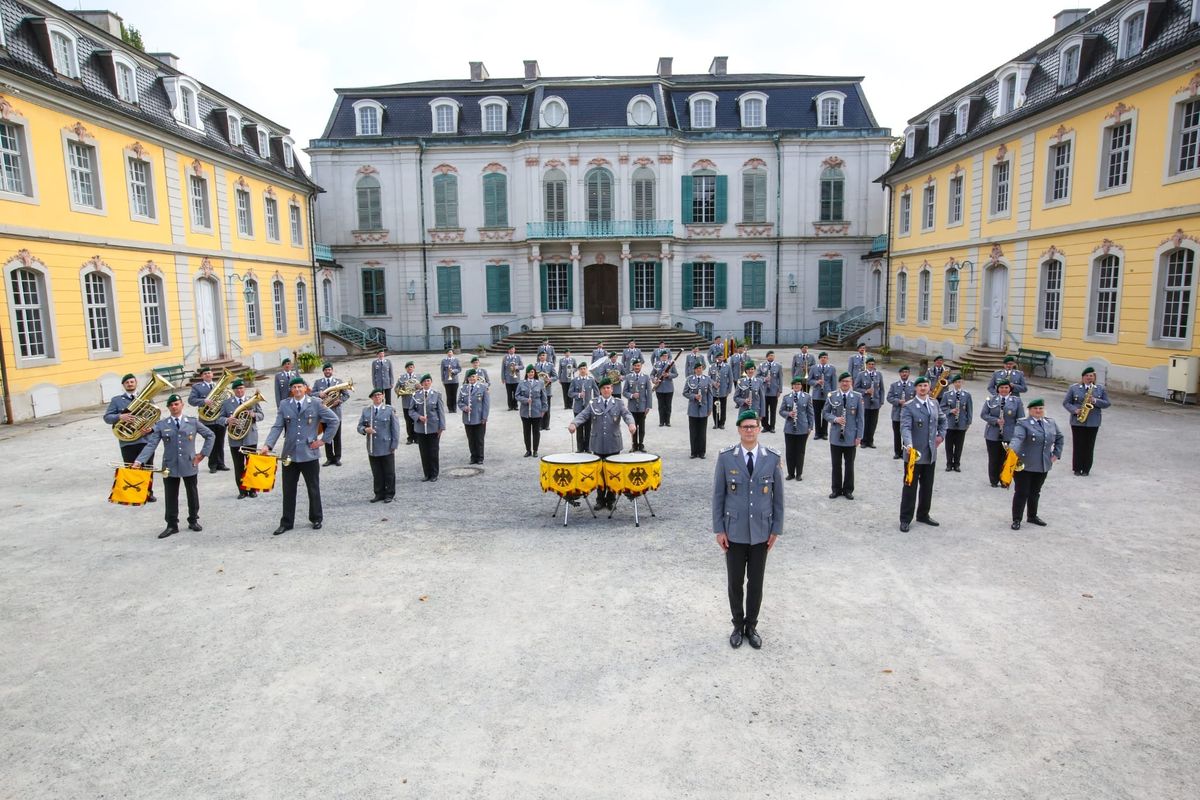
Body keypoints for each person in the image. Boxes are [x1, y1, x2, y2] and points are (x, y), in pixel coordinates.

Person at [712, 410, 782, 650]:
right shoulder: (726, 458)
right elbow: (718, 496)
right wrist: (719, 529)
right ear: (739, 430)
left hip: (761, 532)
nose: (750, 430)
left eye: (753, 426)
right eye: (745, 427)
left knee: (756, 582)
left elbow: (778, 498)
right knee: (735, 582)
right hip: (734, 532)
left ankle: (751, 625)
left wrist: (776, 530)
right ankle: (737, 625)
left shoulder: (771, 458)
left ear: (759, 429)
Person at [262, 377, 340, 535]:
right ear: (291, 390)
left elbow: (334, 420)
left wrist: (323, 440)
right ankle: (287, 522)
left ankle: (316, 518)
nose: (297, 389)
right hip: (289, 454)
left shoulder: (316, 403)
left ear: (305, 388)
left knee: (313, 487)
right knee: (288, 489)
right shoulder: (285, 404)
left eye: (300, 387)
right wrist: (267, 445)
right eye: (294, 387)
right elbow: (277, 426)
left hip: (309, 453)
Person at [134, 393, 214, 539]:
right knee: (171, 495)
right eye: (171, 405)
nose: (174, 407)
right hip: (169, 465)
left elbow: (210, 435)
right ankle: (172, 525)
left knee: (192, 493)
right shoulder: (162, 425)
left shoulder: (192, 422)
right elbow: (151, 444)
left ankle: (193, 519)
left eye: (177, 404)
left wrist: (202, 454)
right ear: (168, 408)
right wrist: (139, 461)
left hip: (189, 463)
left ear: (182, 405)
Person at [568, 377, 636, 510]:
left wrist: (631, 424)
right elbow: (583, 414)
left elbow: (627, 414)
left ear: (612, 389)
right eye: (604, 388)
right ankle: (600, 500)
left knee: (612, 473)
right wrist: (574, 423)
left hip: (613, 443)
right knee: (599, 474)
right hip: (598, 443)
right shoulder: (593, 403)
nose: (607, 390)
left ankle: (611, 500)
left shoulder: (618, 402)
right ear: (600, 390)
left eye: (609, 388)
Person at [899, 377, 947, 531]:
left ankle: (923, 514)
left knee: (927, 487)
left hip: (930, 454)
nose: (923, 388)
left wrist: (941, 436)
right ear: (915, 388)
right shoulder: (909, 406)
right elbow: (905, 427)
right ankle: (905, 518)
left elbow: (943, 420)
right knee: (910, 487)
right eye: (920, 386)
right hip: (914, 454)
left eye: (925, 385)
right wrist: (909, 444)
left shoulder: (934, 403)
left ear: (929, 387)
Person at [1008, 398, 1063, 530]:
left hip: (1043, 463)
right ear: (1030, 410)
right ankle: (1017, 519)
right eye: (1035, 409)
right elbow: (1018, 438)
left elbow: (1059, 437)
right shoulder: (1023, 423)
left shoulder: (1050, 422)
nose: (1038, 411)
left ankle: (1032, 516)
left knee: (1035, 491)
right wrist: (1011, 450)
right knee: (1022, 492)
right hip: (1025, 464)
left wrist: (1056, 454)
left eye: (1040, 408)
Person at [104, 372, 158, 502]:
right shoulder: (116, 400)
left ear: (136, 383)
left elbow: (155, 416)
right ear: (123, 385)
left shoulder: (146, 398)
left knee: (147, 467)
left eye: (132, 382)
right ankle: (134, 495)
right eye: (127, 382)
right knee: (130, 467)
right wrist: (119, 417)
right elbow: (107, 417)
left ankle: (148, 493)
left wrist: (151, 428)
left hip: (145, 439)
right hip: (127, 441)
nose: (130, 384)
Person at [218, 378, 264, 499]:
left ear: (244, 389)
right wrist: (228, 420)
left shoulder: (252, 400)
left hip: (250, 437)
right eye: (237, 389)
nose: (239, 390)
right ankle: (242, 490)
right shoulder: (227, 403)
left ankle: (253, 490)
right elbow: (219, 419)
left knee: (251, 464)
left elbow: (261, 415)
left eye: (241, 388)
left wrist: (254, 415)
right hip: (235, 439)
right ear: (233, 390)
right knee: (238, 466)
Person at [1062, 366, 1111, 476]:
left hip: (1093, 421)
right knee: (1078, 444)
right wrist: (1075, 410)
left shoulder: (1100, 388)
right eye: (1087, 376)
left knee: (1089, 445)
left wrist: (1094, 400)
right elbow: (1066, 403)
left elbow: (1107, 403)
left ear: (1094, 377)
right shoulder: (1074, 388)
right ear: (1083, 377)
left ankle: (1086, 469)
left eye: (1091, 376)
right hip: (1078, 420)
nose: (1089, 378)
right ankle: (1077, 468)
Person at [824, 372, 865, 499]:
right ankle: (836, 489)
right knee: (836, 464)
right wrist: (835, 419)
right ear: (839, 383)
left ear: (851, 383)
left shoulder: (857, 397)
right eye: (843, 381)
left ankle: (848, 490)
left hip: (850, 437)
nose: (845, 383)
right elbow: (825, 413)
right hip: (836, 436)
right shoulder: (832, 396)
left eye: (847, 381)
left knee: (849, 464)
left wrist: (859, 436)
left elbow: (860, 418)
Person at [358, 387, 400, 503]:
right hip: (373, 446)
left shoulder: (389, 410)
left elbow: (395, 429)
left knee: (389, 472)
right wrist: (365, 430)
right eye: (375, 395)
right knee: (376, 472)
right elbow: (359, 426)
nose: (377, 397)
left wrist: (394, 444)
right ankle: (379, 493)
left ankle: (389, 494)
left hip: (386, 445)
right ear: (371, 398)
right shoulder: (367, 411)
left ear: (383, 397)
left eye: (379, 395)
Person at [981, 380, 1024, 488]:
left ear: (1010, 389)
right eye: (1001, 388)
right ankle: (994, 480)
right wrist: (995, 420)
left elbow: (1020, 419)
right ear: (997, 389)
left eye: (1006, 388)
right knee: (993, 458)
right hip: (993, 433)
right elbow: (984, 414)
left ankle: (1004, 480)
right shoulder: (991, 400)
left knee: (1006, 458)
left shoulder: (1016, 401)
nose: (1004, 390)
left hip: (1009, 434)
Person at [188, 367, 228, 472]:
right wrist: (204, 401)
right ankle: (213, 465)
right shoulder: (197, 387)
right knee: (211, 441)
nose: (207, 375)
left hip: (219, 418)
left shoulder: (219, 385)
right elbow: (191, 400)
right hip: (207, 419)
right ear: (202, 376)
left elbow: (226, 399)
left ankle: (221, 464)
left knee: (220, 441)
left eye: (209, 373)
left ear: (212, 374)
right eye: (205, 373)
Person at [409, 374, 447, 481]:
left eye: (429, 381)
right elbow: (411, 410)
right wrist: (418, 417)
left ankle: (434, 474)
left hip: (433, 427)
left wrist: (442, 426)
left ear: (431, 382)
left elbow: (441, 411)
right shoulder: (416, 395)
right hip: (420, 428)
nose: (427, 383)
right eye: (425, 381)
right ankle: (427, 474)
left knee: (433, 451)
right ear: (421, 383)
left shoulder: (436, 394)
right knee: (424, 452)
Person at [312, 362, 349, 466]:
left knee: (337, 437)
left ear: (332, 371)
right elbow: (311, 394)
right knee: (327, 436)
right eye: (326, 370)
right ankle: (329, 458)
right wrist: (319, 394)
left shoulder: (339, 382)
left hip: (336, 413)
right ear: (323, 371)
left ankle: (337, 458)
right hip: (324, 415)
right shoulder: (318, 382)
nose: (327, 371)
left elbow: (346, 395)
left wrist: (340, 401)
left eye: (329, 370)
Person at [779, 376, 815, 480]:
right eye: (795, 384)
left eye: (798, 384)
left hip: (802, 427)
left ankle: (799, 473)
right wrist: (788, 413)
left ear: (801, 386)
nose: (796, 386)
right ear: (792, 386)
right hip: (790, 428)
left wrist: (810, 426)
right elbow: (781, 411)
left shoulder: (807, 397)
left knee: (800, 451)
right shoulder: (787, 397)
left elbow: (810, 413)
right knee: (789, 451)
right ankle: (791, 473)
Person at [940, 374, 972, 472]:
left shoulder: (966, 395)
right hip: (950, 423)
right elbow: (942, 407)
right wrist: (950, 410)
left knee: (959, 446)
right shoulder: (947, 394)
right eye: (957, 382)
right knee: (949, 445)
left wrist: (968, 422)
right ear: (953, 383)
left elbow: (969, 410)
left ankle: (957, 464)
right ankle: (949, 463)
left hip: (961, 423)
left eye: (960, 382)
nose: (958, 384)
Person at [458, 368, 489, 465]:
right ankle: (473, 456)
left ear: (476, 377)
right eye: (469, 377)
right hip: (468, 418)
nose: (471, 378)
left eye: (473, 376)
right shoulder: (463, 388)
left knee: (479, 438)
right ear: (467, 378)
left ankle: (480, 457)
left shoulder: (482, 387)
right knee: (471, 439)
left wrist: (484, 417)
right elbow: (459, 402)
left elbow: (486, 404)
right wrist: (464, 408)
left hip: (479, 417)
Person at [516, 365, 549, 457]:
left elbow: (544, 397)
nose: (530, 374)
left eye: (532, 372)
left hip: (536, 411)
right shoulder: (522, 383)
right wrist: (525, 400)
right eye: (529, 372)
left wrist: (544, 409)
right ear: (526, 373)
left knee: (536, 431)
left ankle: (535, 450)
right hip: (525, 412)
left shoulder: (540, 383)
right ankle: (528, 450)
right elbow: (517, 395)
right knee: (526, 432)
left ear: (534, 373)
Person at [886, 365, 916, 459]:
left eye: (906, 372)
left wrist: (909, 403)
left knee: (907, 434)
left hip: (909, 414)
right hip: (897, 414)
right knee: (897, 434)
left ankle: (905, 452)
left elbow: (916, 398)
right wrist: (898, 401)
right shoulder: (894, 385)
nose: (904, 374)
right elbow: (889, 398)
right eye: (902, 372)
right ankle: (897, 452)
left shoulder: (913, 385)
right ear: (899, 374)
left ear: (909, 373)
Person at [623, 359, 652, 452]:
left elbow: (649, 393)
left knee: (642, 428)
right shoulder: (628, 377)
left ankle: (641, 444)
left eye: (638, 366)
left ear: (641, 366)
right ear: (633, 367)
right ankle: (634, 445)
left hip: (642, 407)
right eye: (635, 366)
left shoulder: (646, 377)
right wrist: (631, 395)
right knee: (633, 426)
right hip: (632, 407)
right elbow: (624, 392)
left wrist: (648, 406)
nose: (637, 367)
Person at [569, 363, 599, 453]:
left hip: (588, 408)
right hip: (578, 408)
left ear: (587, 370)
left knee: (588, 428)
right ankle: (580, 448)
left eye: (584, 368)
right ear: (579, 370)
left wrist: (595, 403)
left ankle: (588, 447)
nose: (583, 370)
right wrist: (578, 395)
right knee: (579, 428)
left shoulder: (591, 380)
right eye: (581, 369)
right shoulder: (575, 380)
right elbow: (570, 393)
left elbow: (597, 392)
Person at [854, 357, 884, 448]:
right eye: (870, 364)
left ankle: (870, 441)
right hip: (865, 402)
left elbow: (881, 389)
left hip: (875, 402)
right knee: (865, 421)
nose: (871, 366)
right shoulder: (861, 374)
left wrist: (881, 401)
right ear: (866, 365)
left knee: (873, 423)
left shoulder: (878, 374)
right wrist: (866, 391)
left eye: (873, 364)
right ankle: (863, 440)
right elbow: (856, 388)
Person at [686, 361, 713, 458]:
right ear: (694, 370)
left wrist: (710, 408)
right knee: (693, 431)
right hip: (693, 409)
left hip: (703, 409)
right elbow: (685, 392)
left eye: (700, 368)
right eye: (697, 368)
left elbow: (710, 394)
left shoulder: (707, 379)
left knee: (702, 432)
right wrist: (694, 396)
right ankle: (693, 452)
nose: (699, 370)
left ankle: (702, 452)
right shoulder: (690, 379)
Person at [809, 352, 836, 441]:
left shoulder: (832, 368)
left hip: (827, 394)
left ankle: (824, 433)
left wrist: (833, 394)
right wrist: (816, 382)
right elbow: (809, 381)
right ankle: (817, 433)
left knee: (826, 414)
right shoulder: (814, 368)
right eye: (822, 357)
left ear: (827, 359)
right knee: (816, 414)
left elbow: (834, 382)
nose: (824, 359)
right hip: (816, 395)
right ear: (819, 359)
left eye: (825, 357)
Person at [757, 351, 783, 433]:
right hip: (764, 391)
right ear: (767, 357)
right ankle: (765, 426)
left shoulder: (778, 366)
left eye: (773, 356)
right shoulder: (762, 365)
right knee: (764, 409)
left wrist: (780, 390)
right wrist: (764, 379)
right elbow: (757, 376)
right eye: (770, 356)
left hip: (773, 391)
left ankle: (772, 427)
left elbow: (781, 379)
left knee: (773, 410)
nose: (772, 357)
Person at [652, 351, 678, 427]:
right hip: (659, 388)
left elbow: (676, 374)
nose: (665, 357)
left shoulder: (671, 364)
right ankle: (661, 421)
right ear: (660, 357)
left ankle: (667, 421)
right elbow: (652, 374)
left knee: (668, 405)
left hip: (669, 388)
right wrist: (654, 380)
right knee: (661, 405)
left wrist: (668, 375)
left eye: (666, 356)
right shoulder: (656, 364)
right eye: (663, 356)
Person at [708, 352, 733, 430]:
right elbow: (709, 378)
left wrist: (728, 390)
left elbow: (731, 379)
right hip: (714, 391)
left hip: (723, 391)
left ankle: (722, 423)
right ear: (716, 358)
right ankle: (716, 423)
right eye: (718, 357)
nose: (720, 359)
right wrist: (713, 383)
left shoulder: (727, 367)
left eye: (721, 357)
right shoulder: (712, 366)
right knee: (715, 407)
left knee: (723, 407)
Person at [397, 360, 419, 444]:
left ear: (413, 368)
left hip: (416, 402)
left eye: (411, 367)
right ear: (406, 369)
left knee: (416, 420)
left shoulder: (418, 377)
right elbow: (396, 388)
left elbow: (423, 388)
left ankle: (417, 437)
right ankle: (410, 437)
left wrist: (419, 387)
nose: (410, 368)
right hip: (406, 402)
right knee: (408, 421)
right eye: (408, 367)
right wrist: (401, 391)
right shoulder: (401, 377)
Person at [533, 352, 556, 431]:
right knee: (538, 407)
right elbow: (533, 376)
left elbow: (555, 376)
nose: (542, 357)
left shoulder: (550, 365)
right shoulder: (536, 365)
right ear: (539, 357)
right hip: (538, 390)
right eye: (541, 355)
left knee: (547, 407)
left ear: (546, 356)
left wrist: (550, 379)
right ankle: (539, 425)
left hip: (547, 389)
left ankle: (546, 425)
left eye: (544, 355)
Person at [440, 349, 461, 419]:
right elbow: (442, 370)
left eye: (451, 352)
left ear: (453, 353)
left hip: (455, 380)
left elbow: (459, 369)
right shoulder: (444, 361)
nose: (450, 353)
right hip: (447, 381)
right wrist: (443, 380)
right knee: (448, 394)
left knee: (454, 394)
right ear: (447, 353)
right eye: (448, 352)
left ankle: (454, 408)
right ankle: (450, 408)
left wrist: (454, 371)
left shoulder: (456, 360)